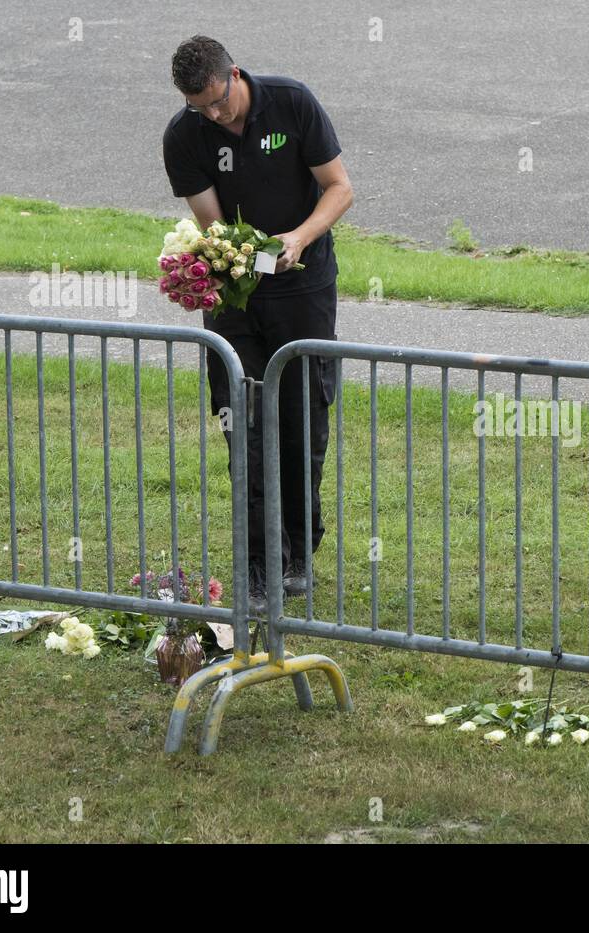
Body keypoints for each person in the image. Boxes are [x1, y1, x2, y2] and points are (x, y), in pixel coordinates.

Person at [162, 35, 354, 612]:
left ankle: (298, 552)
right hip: (236, 299)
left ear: (234, 75)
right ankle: (256, 561)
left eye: (219, 102)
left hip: (303, 286)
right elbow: (216, 231)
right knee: (242, 424)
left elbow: (339, 188)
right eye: (201, 108)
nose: (214, 115)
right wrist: (218, 267)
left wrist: (298, 237)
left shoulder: (292, 103)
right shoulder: (184, 135)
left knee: (301, 420)